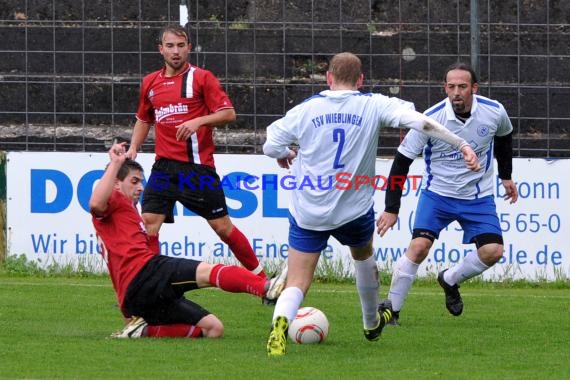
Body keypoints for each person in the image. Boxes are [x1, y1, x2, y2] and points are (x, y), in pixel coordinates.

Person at [263, 52, 481, 356]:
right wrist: (461, 143)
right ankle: (370, 322)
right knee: (363, 257)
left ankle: (280, 324)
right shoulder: (373, 104)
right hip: (352, 210)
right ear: (361, 80)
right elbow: (422, 123)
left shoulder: (306, 109)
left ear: (328, 77)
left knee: (299, 279)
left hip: (309, 209)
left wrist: (283, 152)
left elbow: (270, 142)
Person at [90, 142, 284, 339]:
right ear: (115, 183)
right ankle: (265, 287)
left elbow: (118, 271)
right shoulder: (114, 200)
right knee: (211, 271)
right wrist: (115, 163)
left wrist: (127, 311)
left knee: (213, 329)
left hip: (138, 291)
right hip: (145, 274)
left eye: (141, 182)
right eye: (134, 181)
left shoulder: (127, 213)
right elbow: (96, 203)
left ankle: (141, 331)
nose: (140, 188)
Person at [377, 62, 518, 325]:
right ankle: (392, 311)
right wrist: (391, 207)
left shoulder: (494, 111)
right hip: (437, 196)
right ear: (445, 88)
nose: (456, 92)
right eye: (451, 86)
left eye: (462, 86)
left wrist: (506, 176)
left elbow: (505, 137)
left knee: (493, 251)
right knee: (418, 248)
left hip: (478, 197)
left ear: (474, 88)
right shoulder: (430, 120)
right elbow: (401, 161)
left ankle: (450, 279)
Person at [125, 24, 268, 281]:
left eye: (181, 46)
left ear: (189, 48)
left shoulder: (202, 78)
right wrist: (134, 146)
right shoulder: (150, 83)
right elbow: (144, 118)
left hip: (197, 170)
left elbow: (229, 114)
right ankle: (146, 285)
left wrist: (198, 121)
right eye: (170, 46)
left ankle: (263, 279)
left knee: (222, 228)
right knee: (148, 223)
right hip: (164, 168)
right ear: (161, 49)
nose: (176, 51)